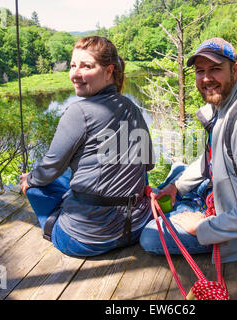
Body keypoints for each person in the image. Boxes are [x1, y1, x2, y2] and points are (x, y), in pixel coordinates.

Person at [140, 37, 237, 263]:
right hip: (220, 201)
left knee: (150, 236)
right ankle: (184, 205)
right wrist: (176, 187)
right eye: (200, 71)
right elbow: (211, 159)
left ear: (234, 70)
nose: (206, 78)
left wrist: (202, 227)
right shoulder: (224, 109)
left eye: (215, 69)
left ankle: (186, 211)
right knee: (177, 172)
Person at [21, 36, 154, 257]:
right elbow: (147, 164)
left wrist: (30, 179)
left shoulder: (78, 112)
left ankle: (53, 224)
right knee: (65, 178)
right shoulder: (132, 107)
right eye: (73, 65)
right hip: (136, 227)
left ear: (109, 71)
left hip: (86, 239)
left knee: (36, 185)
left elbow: (49, 169)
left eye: (86, 66)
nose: (75, 74)